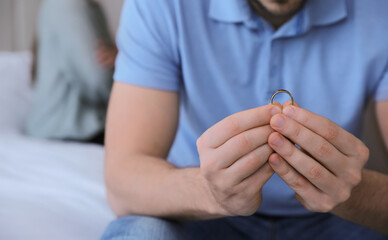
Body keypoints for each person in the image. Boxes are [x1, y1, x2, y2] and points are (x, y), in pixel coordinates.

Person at [102, 0, 388, 239]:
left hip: (339, 222)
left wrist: (355, 193)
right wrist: (210, 192)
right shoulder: (162, 5)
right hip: (197, 217)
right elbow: (123, 182)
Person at [25, 0, 116, 144]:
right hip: (66, 129)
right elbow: (98, 81)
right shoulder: (67, 5)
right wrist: (125, 63)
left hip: (76, 128)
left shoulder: (91, 7)